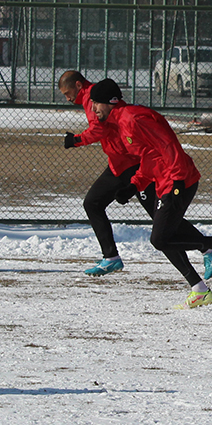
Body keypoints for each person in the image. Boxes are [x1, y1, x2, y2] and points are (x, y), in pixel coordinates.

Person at [86, 79, 212, 309]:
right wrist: (135, 184)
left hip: (178, 180)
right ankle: (200, 289)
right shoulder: (122, 121)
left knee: (160, 239)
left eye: (96, 103)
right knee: (166, 236)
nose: (93, 109)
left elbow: (167, 144)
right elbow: (150, 156)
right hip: (164, 181)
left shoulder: (132, 118)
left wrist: (178, 179)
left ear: (111, 102)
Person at [58, 70, 140, 276]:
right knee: (93, 203)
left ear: (78, 85)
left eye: (68, 93)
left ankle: (210, 245)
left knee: (161, 221)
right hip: (119, 163)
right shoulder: (93, 96)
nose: (67, 99)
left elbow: (99, 129)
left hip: (130, 164)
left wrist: (76, 140)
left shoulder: (91, 97)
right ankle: (110, 257)